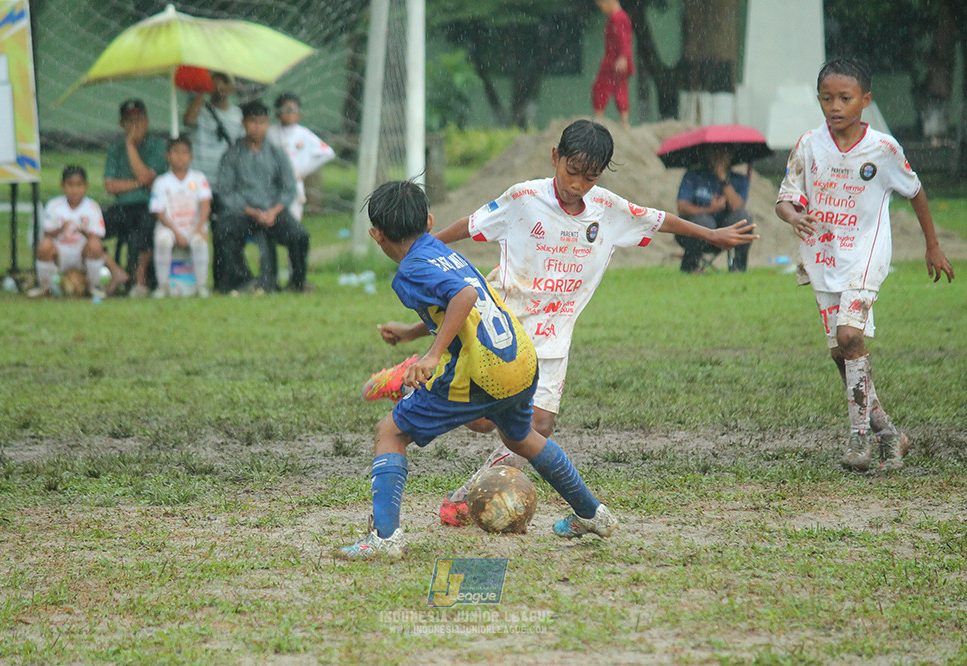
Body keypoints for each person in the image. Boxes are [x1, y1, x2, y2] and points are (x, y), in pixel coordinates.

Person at [362, 119, 758, 527]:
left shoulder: (607, 209)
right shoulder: (523, 198)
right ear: (556, 158)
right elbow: (470, 227)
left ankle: (469, 494)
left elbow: (659, 221)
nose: (578, 185)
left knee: (538, 427)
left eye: (590, 177)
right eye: (572, 172)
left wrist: (713, 237)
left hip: (554, 337)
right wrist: (427, 248)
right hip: (507, 327)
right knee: (485, 422)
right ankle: (426, 375)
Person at [340, 180, 619, 560]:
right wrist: (412, 333)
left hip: (482, 371)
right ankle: (593, 513)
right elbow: (465, 300)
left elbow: (464, 297)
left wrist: (432, 356)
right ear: (429, 221)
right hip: (520, 359)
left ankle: (385, 540)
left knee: (391, 431)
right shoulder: (442, 251)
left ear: (376, 235)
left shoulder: (409, 272)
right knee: (521, 438)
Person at [775, 57, 955, 473]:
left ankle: (859, 440)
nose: (834, 107)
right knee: (842, 352)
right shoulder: (808, 145)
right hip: (822, 257)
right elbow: (786, 197)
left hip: (865, 257)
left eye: (844, 98)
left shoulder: (884, 148)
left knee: (849, 334)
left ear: (865, 101)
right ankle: (889, 433)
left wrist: (932, 245)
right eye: (826, 98)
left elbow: (916, 191)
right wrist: (793, 215)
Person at [215, 100, 311, 294]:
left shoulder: (276, 153)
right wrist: (251, 211)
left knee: (300, 235)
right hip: (243, 212)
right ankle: (242, 280)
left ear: (268, 124)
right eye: (252, 122)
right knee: (223, 231)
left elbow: (288, 187)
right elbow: (225, 191)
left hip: (272, 211)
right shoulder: (232, 154)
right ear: (243, 124)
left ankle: (296, 283)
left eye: (262, 122)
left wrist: (273, 211)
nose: (257, 127)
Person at [182, 72, 244, 291]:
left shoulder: (237, 115)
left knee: (223, 232)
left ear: (232, 88)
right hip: (199, 183)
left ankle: (223, 280)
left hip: (224, 185)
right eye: (216, 82)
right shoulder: (201, 108)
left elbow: (240, 148)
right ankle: (188, 281)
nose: (220, 87)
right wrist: (202, 92)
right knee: (191, 229)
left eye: (225, 82)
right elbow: (188, 120)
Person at [103, 98, 167, 297]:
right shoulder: (115, 149)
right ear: (121, 124)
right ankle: (116, 271)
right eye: (129, 121)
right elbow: (111, 186)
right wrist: (139, 183)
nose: (135, 125)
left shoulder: (158, 146)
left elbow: (148, 178)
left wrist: (131, 146)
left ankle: (139, 277)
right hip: (122, 207)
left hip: (147, 205)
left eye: (139, 120)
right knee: (92, 226)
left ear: (147, 121)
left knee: (145, 225)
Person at [28, 166, 108, 301]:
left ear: (86, 186)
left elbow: (98, 235)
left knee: (95, 245)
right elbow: (47, 232)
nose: (74, 190)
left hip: (81, 251)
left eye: (79, 185)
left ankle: (94, 286)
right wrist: (61, 228)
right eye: (70, 185)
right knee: (44, 245)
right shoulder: (54, 205)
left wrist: (82, 231)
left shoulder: (92, 206)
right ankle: (44, 286)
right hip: (61, 251)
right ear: (62, 186)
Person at [149, 135, 213, 298]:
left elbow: (205, 205)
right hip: (169, 227)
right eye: (175, 152)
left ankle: (201, 286)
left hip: (193, 225)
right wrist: (177, 233)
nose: (180, 156)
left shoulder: (199, 178)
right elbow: (159, 212)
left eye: (184, 152)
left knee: (199, 242)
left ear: (191, 156)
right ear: (167, 156)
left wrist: (199, 228)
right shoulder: (161, 182)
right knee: (163, 241)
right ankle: (162, 286)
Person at [674, 145, 754, 273]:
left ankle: (738, 268)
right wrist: (709, 210)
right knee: (704, 222)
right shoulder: (693, 176)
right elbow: (682, 207)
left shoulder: (739, 180)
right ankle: (690, 266)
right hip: (694, 232)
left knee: (744, 218)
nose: (720, 157)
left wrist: (723, 178)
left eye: (725, 153)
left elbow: (737, 207)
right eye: (716, 153)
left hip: (724, 228)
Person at [267, 93, 336, 223]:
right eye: (285, 110)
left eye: (293, 110)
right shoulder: (270, 133)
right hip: (273, 183)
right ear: (277, 113)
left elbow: (328, 153)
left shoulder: (304, 134)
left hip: (294, 182)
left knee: (294, 218)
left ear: (300, 113)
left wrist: (304, 170)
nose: (289, 114)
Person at [592, 0, 635, 126]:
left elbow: (624, 39)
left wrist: (623, 57)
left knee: (600, 88)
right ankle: (624, 122)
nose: (602, 9)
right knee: (620, 90)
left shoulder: (618, 18)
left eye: (602, 5)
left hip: (614, 61)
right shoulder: (618, 17)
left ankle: (599, 119)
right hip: (617, 61)